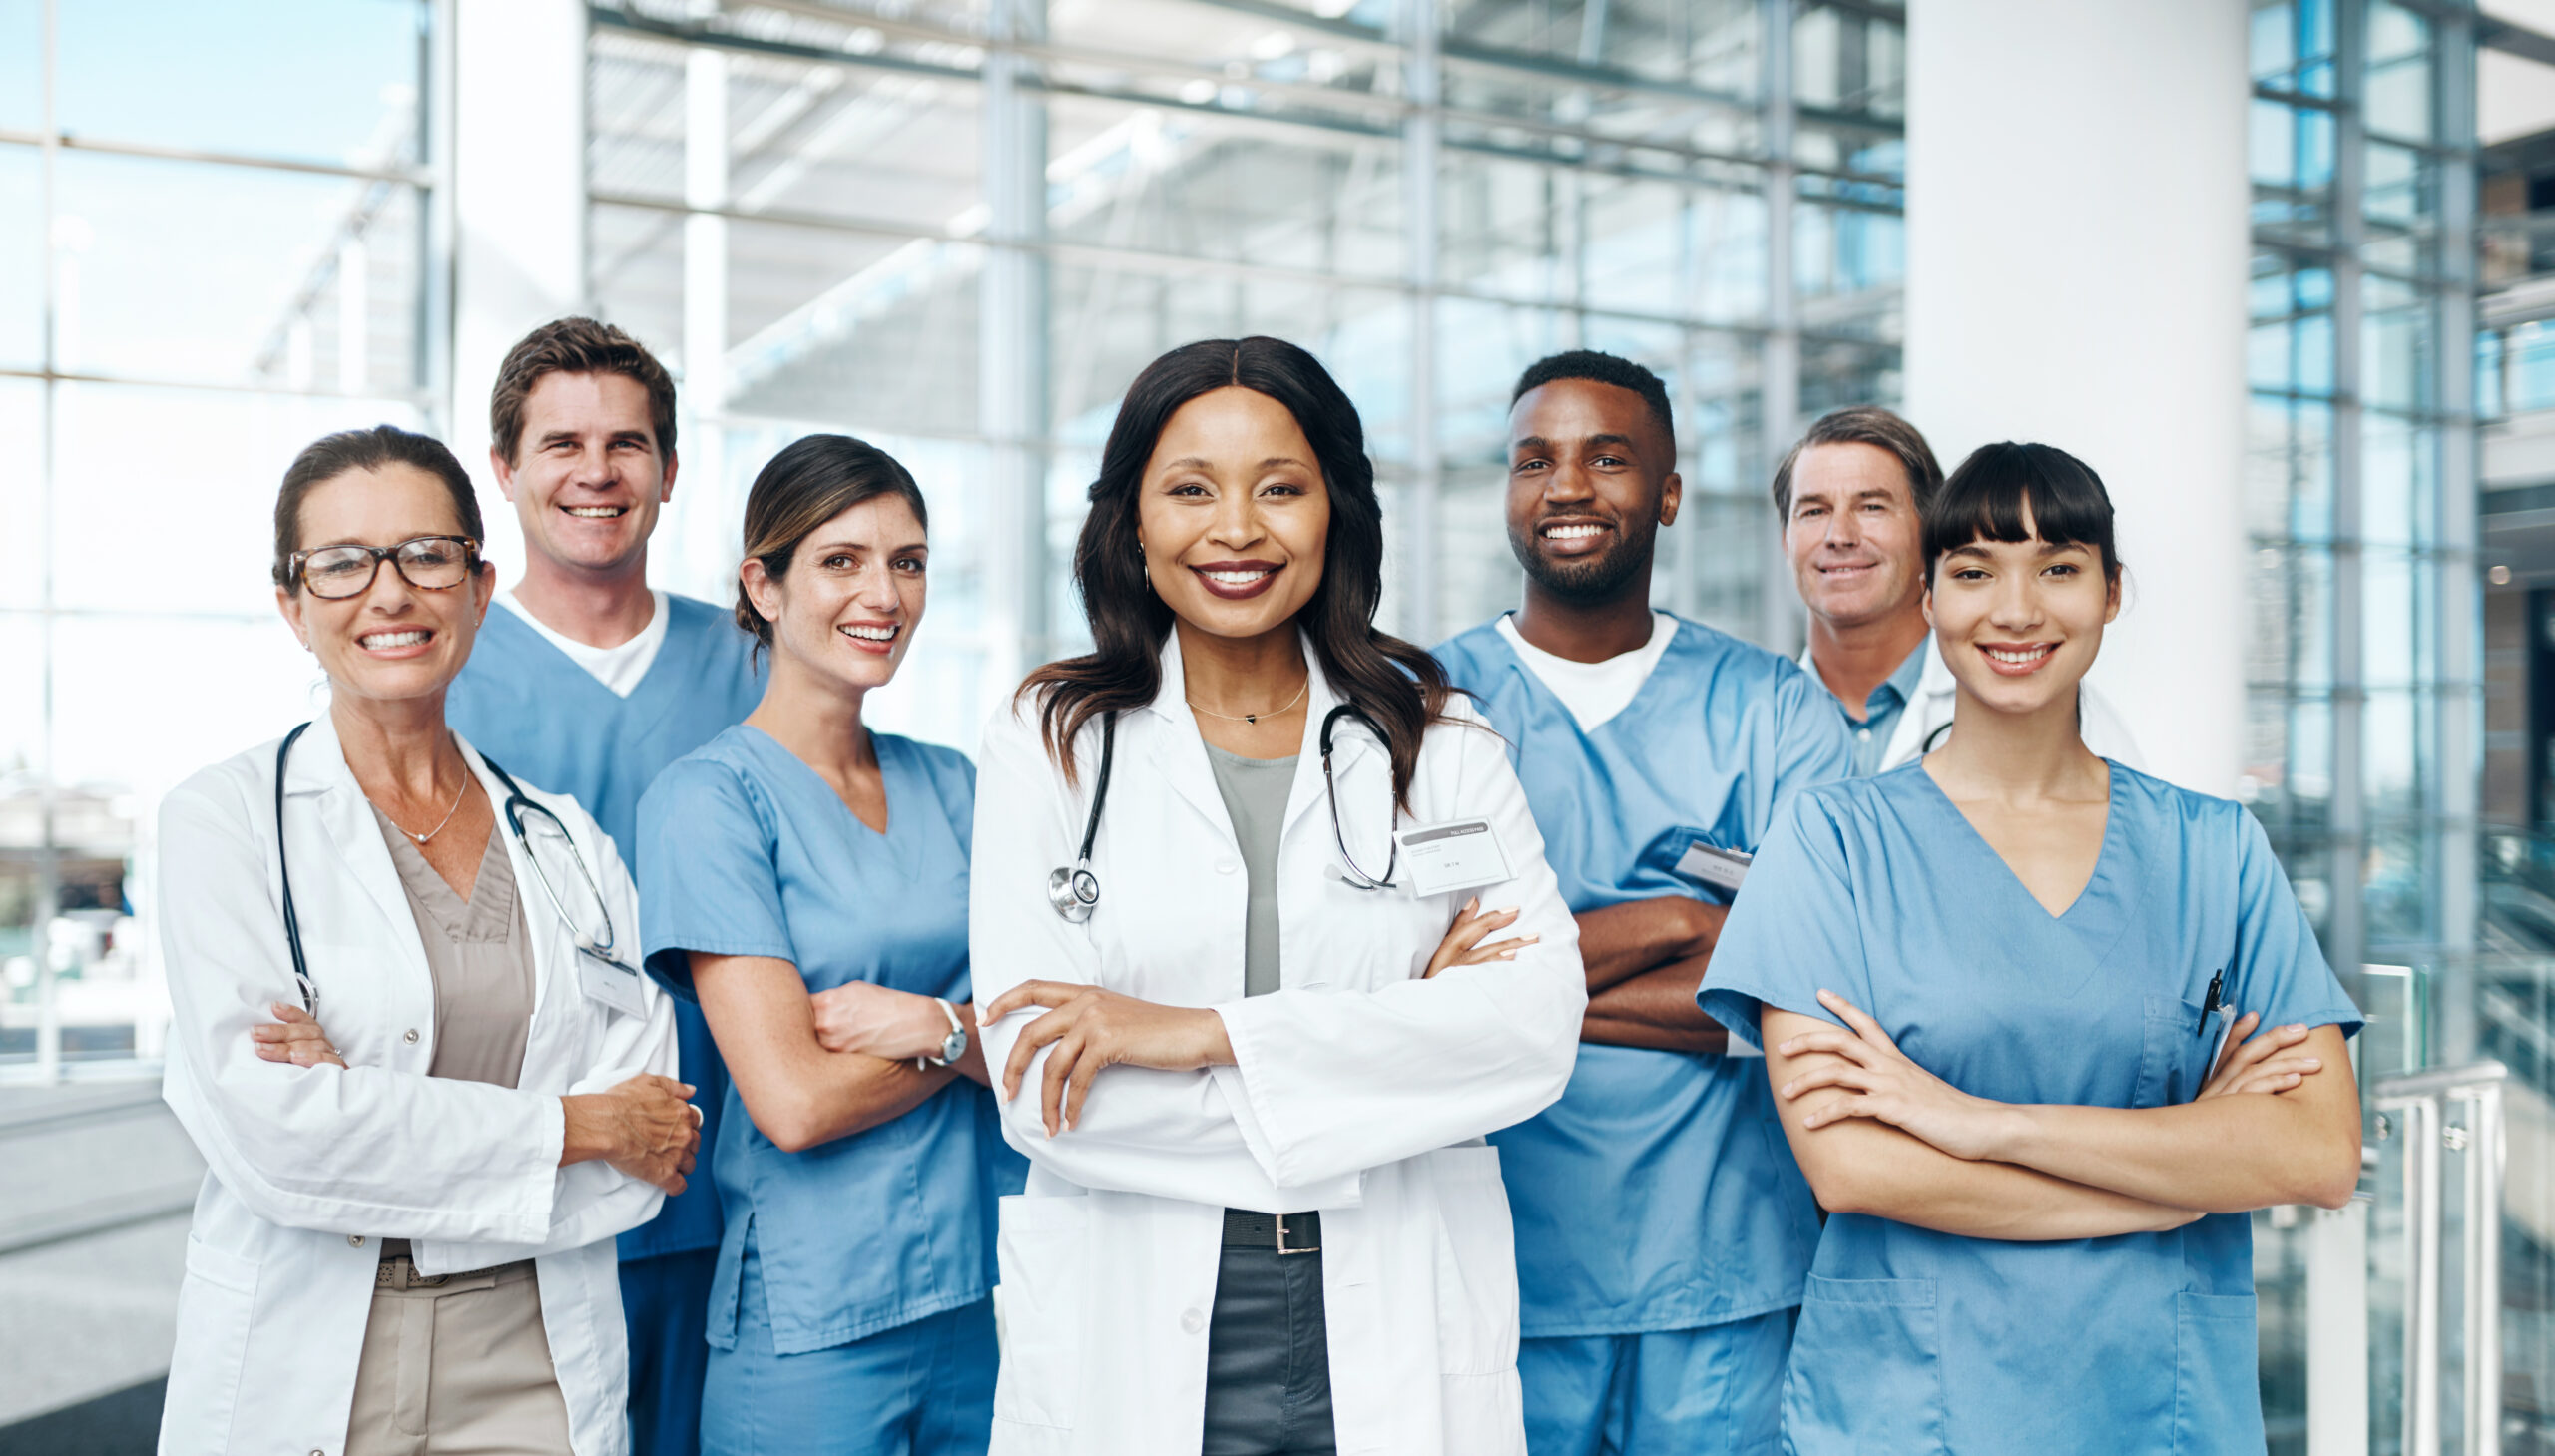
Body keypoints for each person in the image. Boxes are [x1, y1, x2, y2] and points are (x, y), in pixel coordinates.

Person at [969, 336, 1586, 1456]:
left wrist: (1190, 1034)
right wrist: (1399, 1043)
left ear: (1335, 510)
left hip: (1392, 1300)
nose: (1238, 530)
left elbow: (1532, 1030)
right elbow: (1045, 1090)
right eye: (1191, 488)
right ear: (1133, 520)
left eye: (1281, 489)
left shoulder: (1436, 740)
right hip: (1136, 1303)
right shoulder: (1050, 740)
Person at [1699, 441, 2364, 1453]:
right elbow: (1852, 1167)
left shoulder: (2213, 850)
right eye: (1974, 571)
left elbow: (2315, 1150)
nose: (2015, 610)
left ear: (2110, 592)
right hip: (1908, 1413)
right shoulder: (1830, 843)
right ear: (1927, 598)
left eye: (2057, 566)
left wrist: (1973, 1123)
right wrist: (2176, 1182)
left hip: (2159, 1408)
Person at [156, 424, 698, 1456]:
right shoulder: (222, 821)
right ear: (293, 605)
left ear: (480, 587)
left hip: (536, 1354)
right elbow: (282, 1137)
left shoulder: (569, 840)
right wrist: (574, 1127)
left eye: (427, 554)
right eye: (344, 562)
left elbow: (652, 1141)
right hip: (317, 1351)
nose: (391, 591)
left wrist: (365, 1102)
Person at [1432, 350, 1852, 1456]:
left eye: (1607, 458)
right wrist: (1683, 922)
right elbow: (1410, 979)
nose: (1566, 486)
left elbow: (1802, 988)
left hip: (1722, 1276)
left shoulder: (1774, 711)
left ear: (1667, 492)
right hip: (1498, 1266)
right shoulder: (1422, 707)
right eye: (1535, 461)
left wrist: (1518, 995)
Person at [637, 435, 1015, 1456]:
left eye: (908, 560)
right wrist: (967, 1040)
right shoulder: (707, 803)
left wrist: (924, 1024)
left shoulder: (960, 786)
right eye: (841, 560)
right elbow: (795, 1102)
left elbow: (1068, 1030)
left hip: (988, 1297)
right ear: (762, 584)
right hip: (810, 1325)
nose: (883, 592)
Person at [445, 317, 764, 1456]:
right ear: (507, 470)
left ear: (669, 472)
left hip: (728, 1173)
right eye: (562, 443)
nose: (596, 472)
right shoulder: (439, 666)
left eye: (627, 444)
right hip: (523, 1183)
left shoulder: (752, 660)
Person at [1774, 406, 2141, 772]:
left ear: (1929, 534)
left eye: (1872, 507)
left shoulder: (2076, 724)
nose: (1839, 536)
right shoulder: (1754, 718)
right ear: (1785, 541)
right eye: (1814, 512)